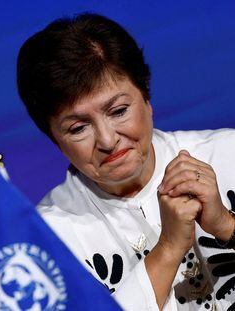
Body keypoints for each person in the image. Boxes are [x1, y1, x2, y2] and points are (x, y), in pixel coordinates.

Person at [16, 13, 235, 310]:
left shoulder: (228, 153)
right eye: (79, 128)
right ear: (54, 139)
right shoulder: (48, 239)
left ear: (146, 97)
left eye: (118, 111)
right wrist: (168, 249)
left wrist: (224, 224)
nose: (107, 140)